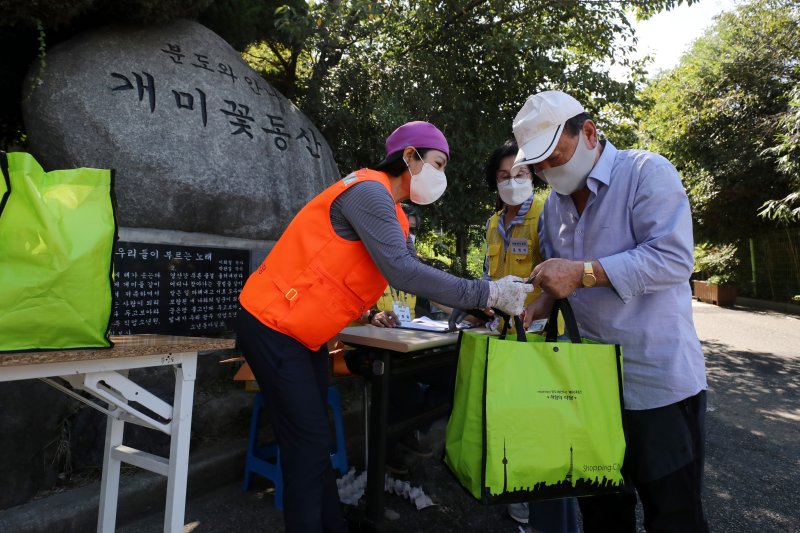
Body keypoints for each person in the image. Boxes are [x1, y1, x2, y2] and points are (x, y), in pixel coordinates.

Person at [236, 120, 532, 532]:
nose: (440, 176)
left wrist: (486, 307)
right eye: (437, 163)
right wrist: (486, 293)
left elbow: (413, 273)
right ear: (408, 157)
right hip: (271, 325)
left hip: (302, 332)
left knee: (313, 442)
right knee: (306, 447)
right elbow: (404, 270)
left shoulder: (394, 213)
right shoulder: (369, 192)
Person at [514, 91, 709, 532]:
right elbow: (562, 279)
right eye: (539, 164)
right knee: (602, 513)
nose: (548, 171)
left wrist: (583, 273)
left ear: (588, 133)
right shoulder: (553, 208)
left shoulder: (646, 172)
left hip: (655, 381)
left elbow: (674, 259)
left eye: (555, 156)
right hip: (588, 387)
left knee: (674, 515)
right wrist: (546, 298)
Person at [482, 140, 579, 533]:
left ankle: (553, 520)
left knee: (550, 435)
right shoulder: (492, 225)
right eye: (504, 177)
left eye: (520, 174)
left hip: (544, 340)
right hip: (506, 341)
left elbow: (563, 277)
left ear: (534, 176)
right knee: (516, 425)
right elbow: (491, 279)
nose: (512, 182)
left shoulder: (546, 213)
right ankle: (521, 502)